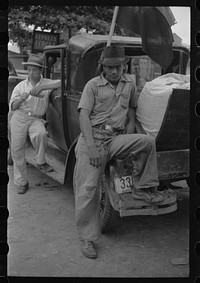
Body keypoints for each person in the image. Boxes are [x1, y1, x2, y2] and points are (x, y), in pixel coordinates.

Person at [73, 45, 165, 259]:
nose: (115, 71)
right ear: (103, 67)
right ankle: (87, 239)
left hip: (115, 138)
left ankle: (144, 188)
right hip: (92, 141)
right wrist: (93, 147)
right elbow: (83, 117)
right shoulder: (92, 86)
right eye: (110, 67)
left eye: (118, 67)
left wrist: (131, 123)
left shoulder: (129, 83)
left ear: (124, 66)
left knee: (146, 142)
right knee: (88, 190)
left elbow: (132, 107)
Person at [9, 53, 61, 194]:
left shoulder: (46, 83)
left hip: (36, 119)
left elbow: (64, 82)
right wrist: (21, 99)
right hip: (20, 117)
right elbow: (13, 107)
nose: (31, 73)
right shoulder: (20, 86)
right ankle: (21, 182)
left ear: (40, 71)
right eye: (30, 69)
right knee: (17, 150)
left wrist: (44, 88)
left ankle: (40, 161)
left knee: (41, 133)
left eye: (35, 70)